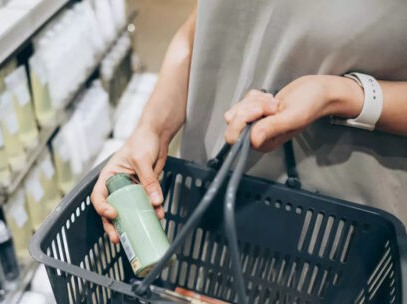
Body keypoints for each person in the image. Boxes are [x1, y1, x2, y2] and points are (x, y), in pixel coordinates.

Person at [92, 1, 407, 244]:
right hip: (210, 196)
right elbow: (203, 27)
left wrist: (339, 94)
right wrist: (152, 130)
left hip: (340, 226)